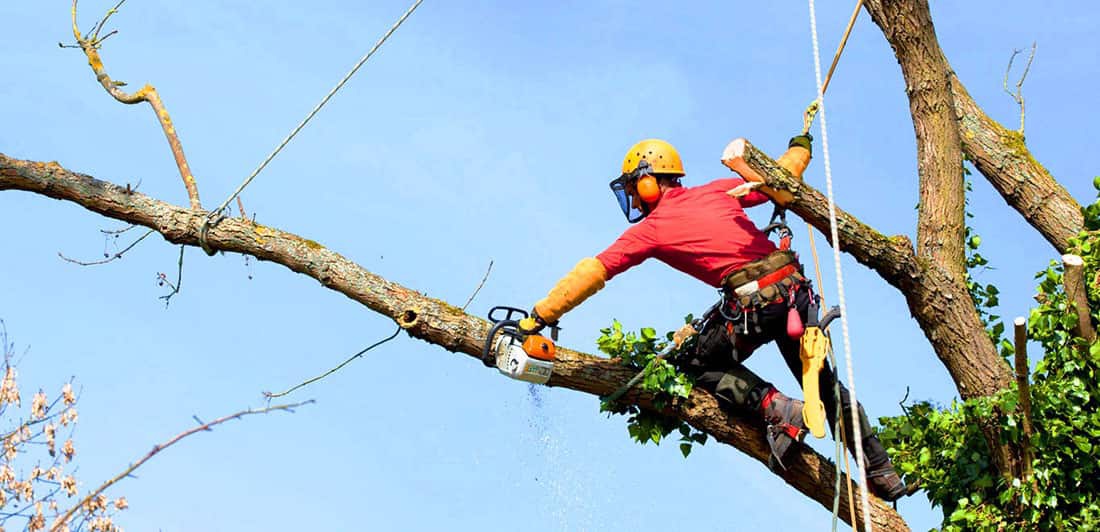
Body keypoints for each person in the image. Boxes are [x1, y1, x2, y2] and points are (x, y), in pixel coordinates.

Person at [517, 137, 907, 501]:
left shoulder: (651, 231)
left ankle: (777, 408)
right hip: (794, 295)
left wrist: (540, 315)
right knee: (823, 386)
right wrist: (799, 147)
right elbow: (779, 176)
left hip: (757, 305)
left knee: (694, 364)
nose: (634, 200)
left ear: (649, 181)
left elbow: (594, 271)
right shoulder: (719, 190)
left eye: (635, 189)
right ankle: (881, 470)